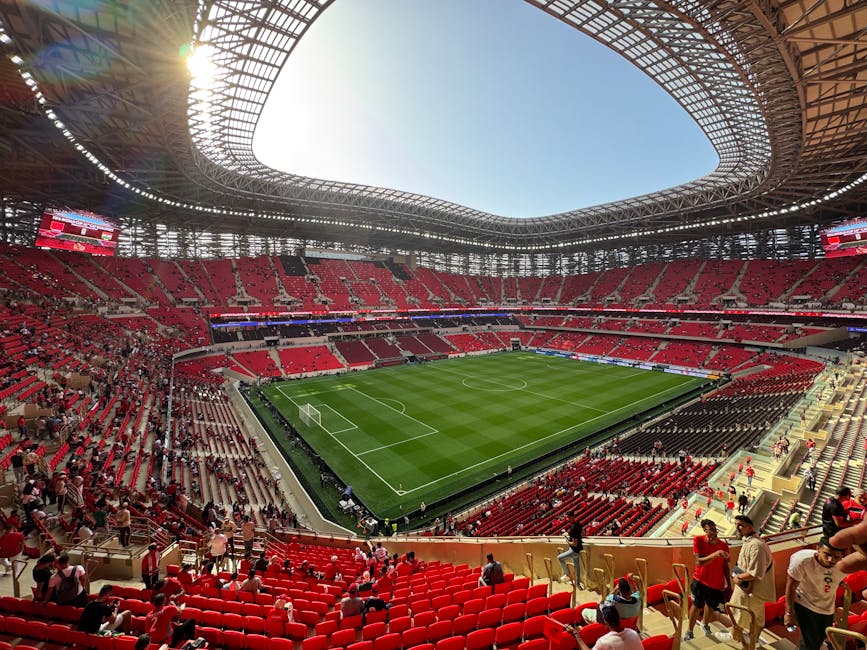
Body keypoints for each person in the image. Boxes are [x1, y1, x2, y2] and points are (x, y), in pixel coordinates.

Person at [784, 538, 845, 650]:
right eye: (827, 554)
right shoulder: (802, 560)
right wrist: (788, 613)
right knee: (811, 643)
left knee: (818, 640)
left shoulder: (844, 566)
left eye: (836, 557)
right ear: (818, 549)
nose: (831, 560)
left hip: (826, 607)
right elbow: (791, 586)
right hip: (804, 602)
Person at [727, 516, 775, 650]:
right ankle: (750, 645)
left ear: (750, 527)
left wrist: (738, 578)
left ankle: (741, 643)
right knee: (754, 620)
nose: (737, 527)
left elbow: (755, 573)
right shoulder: (750, 542)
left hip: (751, 592)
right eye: (736, 524)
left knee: (740, 618)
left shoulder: (756, 545)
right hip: (751, 591)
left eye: (741, 525)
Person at [684, 519, 729, 640]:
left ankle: (705, 624)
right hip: (700, 580)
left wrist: (728, 584)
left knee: (710, 606)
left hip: (716, 583)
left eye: (716, 530)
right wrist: (716, 554)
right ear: (705, 529)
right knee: (697, 606)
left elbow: (725, 566)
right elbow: (699, 561)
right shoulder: (698, 540)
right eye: (712, 530)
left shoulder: (723, 545)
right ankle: (689, 630)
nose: (715, 533)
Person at [569, 602, 643, 650]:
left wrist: (576, 636)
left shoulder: (604, 642)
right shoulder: (633, 633)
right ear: (619, 617)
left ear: (605, 620)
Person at [558, 511, 584, 586]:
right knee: (577, 566)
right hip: (579, 549)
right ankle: (578, 582)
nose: (567, 519)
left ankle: (567, 575)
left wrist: (567, 541)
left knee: (560, 558)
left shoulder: (573, 528)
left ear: (572, 517)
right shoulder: (578, 524)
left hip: (573, 550)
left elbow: (574, 544)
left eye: (568, 517)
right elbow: (583, 533)